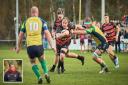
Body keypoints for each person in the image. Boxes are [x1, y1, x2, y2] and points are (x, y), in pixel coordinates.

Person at [16, 6, 56, 84]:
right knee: (42, 59)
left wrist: (18, 46)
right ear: (37, 13)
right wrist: (53, 46)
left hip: (30, 46)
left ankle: (39, 77)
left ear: (31, 13)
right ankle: (46, 73)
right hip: (39, 45)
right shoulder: (42, 21)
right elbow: (47, 33)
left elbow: (20, 35)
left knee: (33, 62)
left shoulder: (26, 22)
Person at [50, 8, 84, 72]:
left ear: (63, 14)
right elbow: (54, 29)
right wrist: (53, 33)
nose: (59, 15)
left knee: (60, 54)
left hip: (66, 41)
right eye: (58, 13)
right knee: (66, 55)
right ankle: (80, 57)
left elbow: (75, 26)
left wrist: (84, 27)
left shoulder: (67, 21)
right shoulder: (56, 22)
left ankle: (56, 67)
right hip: (59, 41)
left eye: (61, 14)